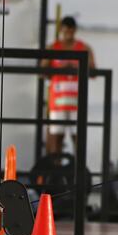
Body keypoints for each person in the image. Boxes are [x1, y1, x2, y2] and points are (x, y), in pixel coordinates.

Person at [41, 16, 96, 155]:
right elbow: (42, 72)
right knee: (56, 137)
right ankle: (55, 170)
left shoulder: (84, 48)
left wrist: (77, 67)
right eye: (65, 32)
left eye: (71, 32)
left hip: (77, 100)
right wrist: (59, 68)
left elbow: (94, 71)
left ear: (75, 30)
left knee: (77, 136)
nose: (68, 35)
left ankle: (78, 171)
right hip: (58, 101)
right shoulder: (53, 47)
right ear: (61, 30)